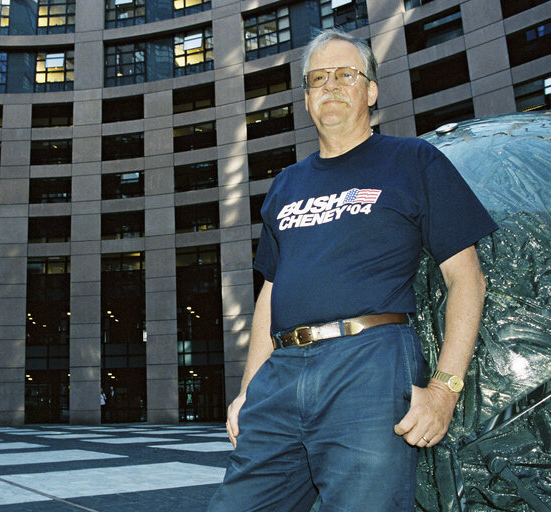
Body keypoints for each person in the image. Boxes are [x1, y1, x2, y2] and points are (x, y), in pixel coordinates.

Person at [208, 29, 497, 512]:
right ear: (305, 99)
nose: (332, 85)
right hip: (282, 373)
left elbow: (466, 278)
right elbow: (270, 293)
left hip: (370, 365)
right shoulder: (286, 184)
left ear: (371, 90)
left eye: (347, 74)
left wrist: (444, 389)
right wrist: (247, 391)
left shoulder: (414, 161)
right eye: (319, 78)